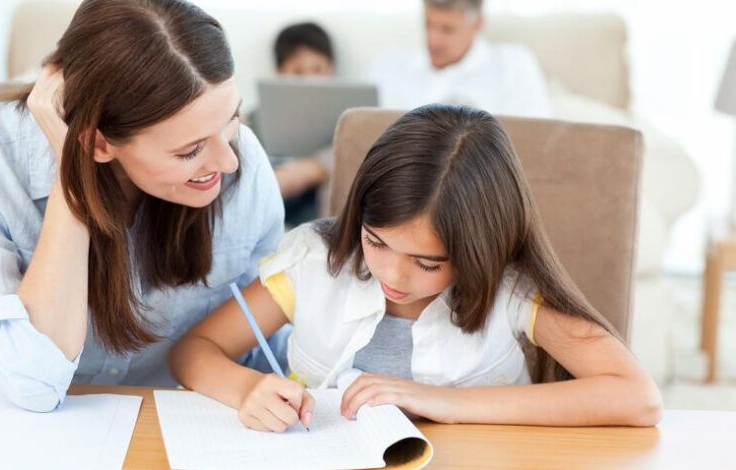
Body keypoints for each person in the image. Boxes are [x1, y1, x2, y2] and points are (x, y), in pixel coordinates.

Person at [169, 104, 662, 432]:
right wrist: (246, 388)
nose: (394, 277)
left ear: (480, 251)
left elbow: (637, 397)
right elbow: (194, 350)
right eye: (376, 242)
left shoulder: (512, 291)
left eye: (428, 263)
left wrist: (443, 402)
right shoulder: (316, 262)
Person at [0, 0, 288, 412]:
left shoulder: (244, 164)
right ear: (100, 142)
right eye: (190, 150)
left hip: (168, 423)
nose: (229, 161)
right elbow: (32, 386)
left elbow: (264, 342)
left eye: (232, 118)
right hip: (5, 421)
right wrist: (71, 174)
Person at [368, 0, 552, 118]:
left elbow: (537, 138)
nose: (433, 39)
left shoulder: (513, 66)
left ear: (477, 24)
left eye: (447, 29)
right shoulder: (387, 68)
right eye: (428, 24)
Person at [247, 22, 335, 227]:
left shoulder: (347, 117)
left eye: (318, 69)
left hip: (319, 213)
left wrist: (313, 169)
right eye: (297, 71)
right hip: (275, 205)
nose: (309, 80)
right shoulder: (259, 117)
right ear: (279, 74)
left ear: (331, 69)